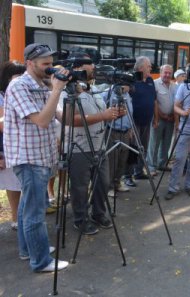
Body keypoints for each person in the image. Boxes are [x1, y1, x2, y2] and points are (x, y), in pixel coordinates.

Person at [4, 43, 69, 272]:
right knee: (35, 212)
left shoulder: (40, 84)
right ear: (30, 63)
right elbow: (41, 121)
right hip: (29, 158)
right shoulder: (19, 86)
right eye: (46, 65)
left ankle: (28, 249)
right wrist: (56, 90)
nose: (50, 68)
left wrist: (67, 91)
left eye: (52, 64)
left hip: (40, 156)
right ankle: (41, 261)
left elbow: (57, 116)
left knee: (25, 208)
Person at [58, 54, 118, 235]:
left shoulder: (92, 89)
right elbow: (69, 120)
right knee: (80, 186)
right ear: (77, 69)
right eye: (90, 65)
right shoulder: (65, 91)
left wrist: (113, 114)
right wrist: (103, 116)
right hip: (78, 147)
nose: (94, 68)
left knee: (103, 183)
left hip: (99, 146)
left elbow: (102, 113)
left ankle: (98, 213)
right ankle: (80, 219)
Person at [0, 61, 25, 230]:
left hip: (13, 148)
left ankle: (17, 219)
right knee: (13, 185)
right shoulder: (2, 96)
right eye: (18, 76)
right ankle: (16, 219)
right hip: (5, 149)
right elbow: (3, 125)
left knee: (15, 185)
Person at [127, 56, 156, 180]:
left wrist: (155, 118)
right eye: (148, 66)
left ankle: (139, 171)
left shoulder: (150, 80)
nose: (151, 68)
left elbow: (153, 100)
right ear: (140, 68)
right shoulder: (132, 80)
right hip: (134, 121)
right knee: (132, 148)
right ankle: (128, 175)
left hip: (147, 120)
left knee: (143, 147)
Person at [103, 84, 133, 194]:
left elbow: (130, 112)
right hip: (112, 130)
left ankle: (117, 183)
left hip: (125, 131)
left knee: (122, 159)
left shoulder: (127, 95)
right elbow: (102, 109)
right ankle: (109, 187)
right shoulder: (108, 92)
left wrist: (130, 129)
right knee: (112, 160)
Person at [147, 64, 177, 175]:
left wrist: (173, 116)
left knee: (166, 143)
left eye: (169, 73)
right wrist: (161, 115)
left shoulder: (174, 86)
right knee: (154, 143)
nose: (167, 75)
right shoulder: (154, 84)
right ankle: (151, 166)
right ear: (161, 72)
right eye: (165, 72)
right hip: (158, 118)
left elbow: (176, 102)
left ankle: (162, 164)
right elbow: (153, 102)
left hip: (171, 119)